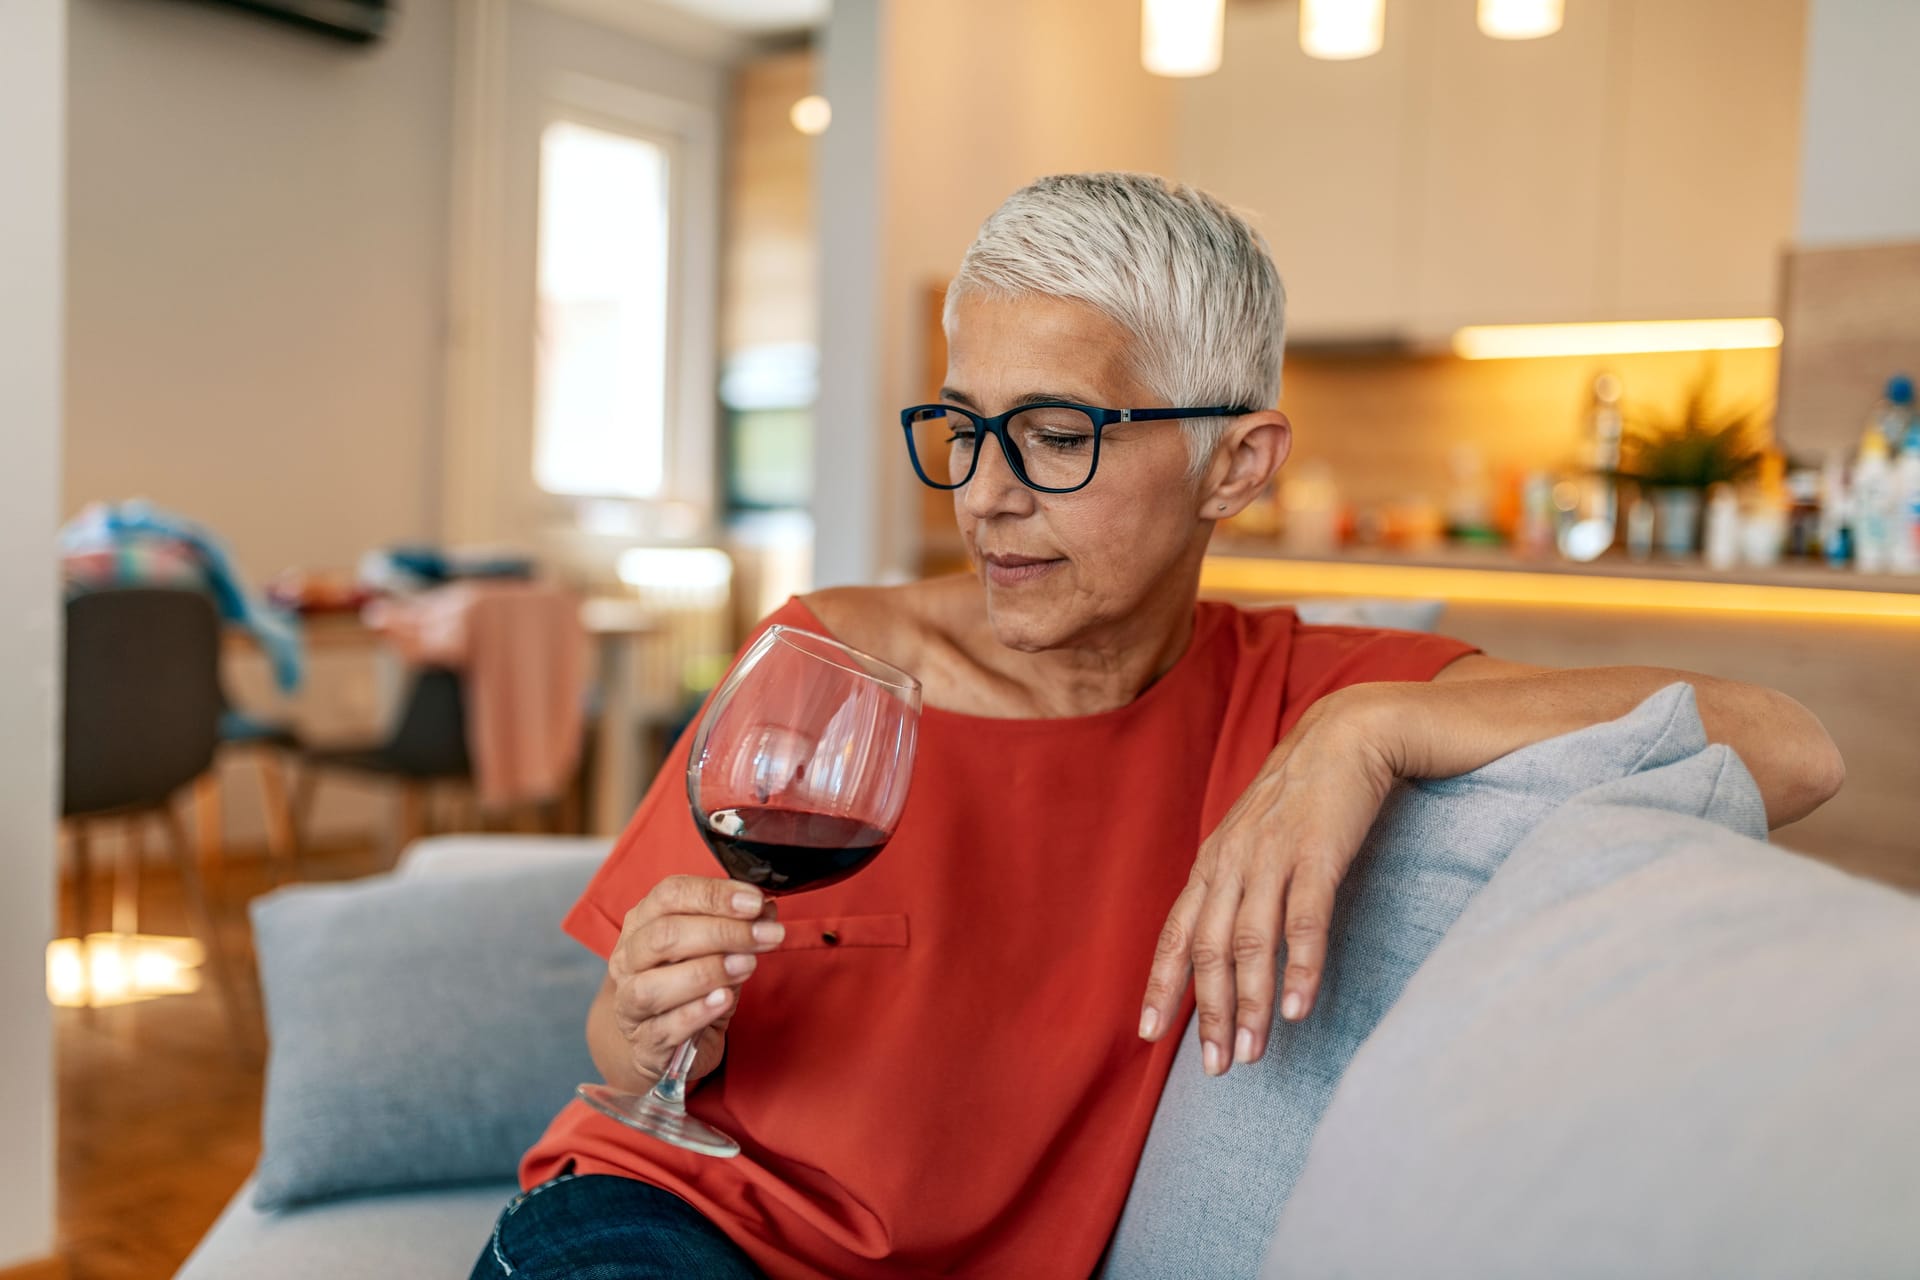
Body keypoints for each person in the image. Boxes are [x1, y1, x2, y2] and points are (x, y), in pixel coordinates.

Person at [473, 173, 1845, 1280]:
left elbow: (1788, 746)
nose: (989, 497)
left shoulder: (1300, 696)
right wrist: (648, 1025)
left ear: (1234, 464)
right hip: (668, 1231)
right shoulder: (829, 660)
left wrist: (1363, 730)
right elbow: (624, 1062)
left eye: (1057, 433)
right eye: (965, 427)